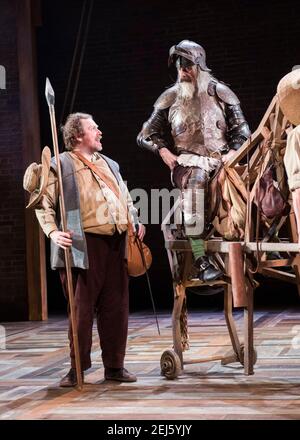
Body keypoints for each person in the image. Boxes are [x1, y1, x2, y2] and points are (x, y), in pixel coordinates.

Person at [33, 112, 145, 386]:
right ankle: (77, 369)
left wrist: (134, 220)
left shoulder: (111, 165)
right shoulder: (60, 165)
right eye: (93, 128)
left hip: (117, 242)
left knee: (116, 308)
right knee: (81, 312)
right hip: (83, 245)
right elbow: (42, 202)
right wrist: (53, 232)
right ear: (77, 136)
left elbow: (125, 198)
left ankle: (115, 366)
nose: (100, 132)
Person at [137, 40, 250, 281]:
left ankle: (262, 240)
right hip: (187, 164)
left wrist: (232, 153)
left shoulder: (220, 92)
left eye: (187, 65)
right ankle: (201, 259)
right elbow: (145, 135)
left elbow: (243, 131)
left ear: (200, 64)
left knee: (253, 178)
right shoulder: (170, 97)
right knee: (196, 179)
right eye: (179, 66)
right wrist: (164, 152)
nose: (182, 71)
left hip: (223, 161)